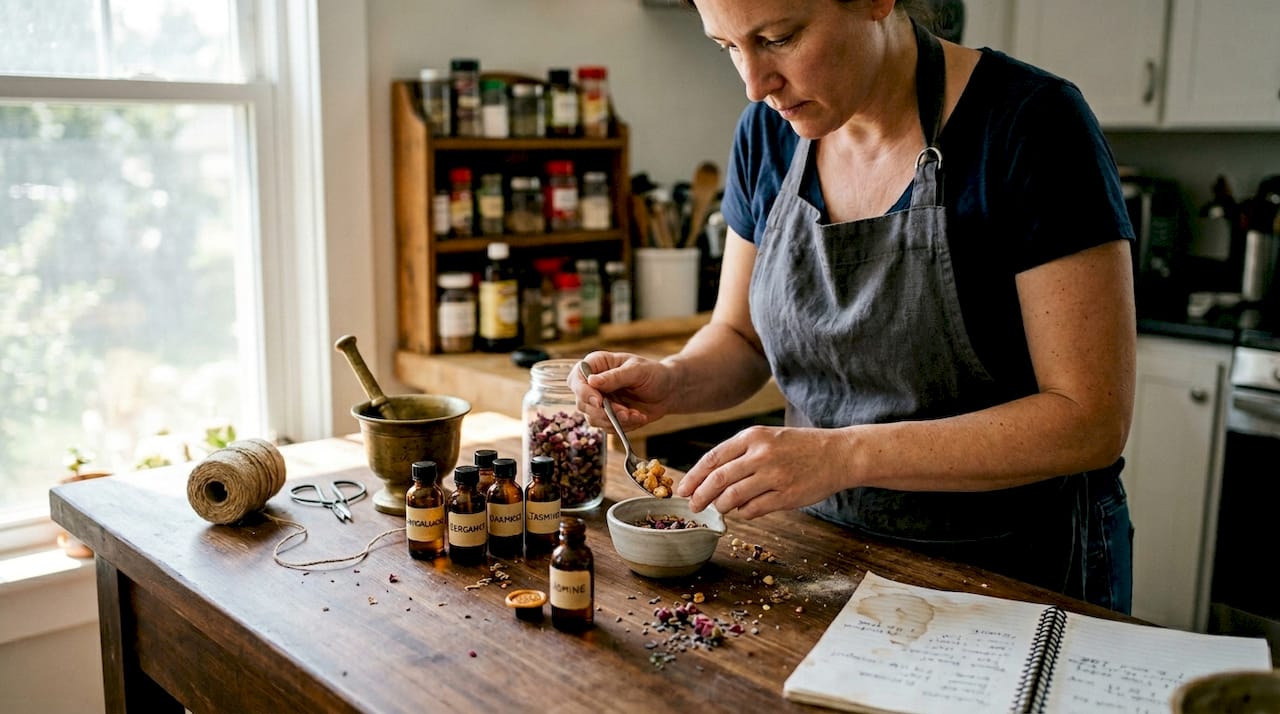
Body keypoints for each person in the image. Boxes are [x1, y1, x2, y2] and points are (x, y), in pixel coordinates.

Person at [571, 0, 1136, 613]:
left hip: (1015, 567)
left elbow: (1089, 421)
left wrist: (843, 454)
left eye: (779, 38)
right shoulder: (767, 133)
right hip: (824, 556)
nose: (755, 85)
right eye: (729, 47)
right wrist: (674, 380)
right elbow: (741, 336)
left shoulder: (1031, 123)